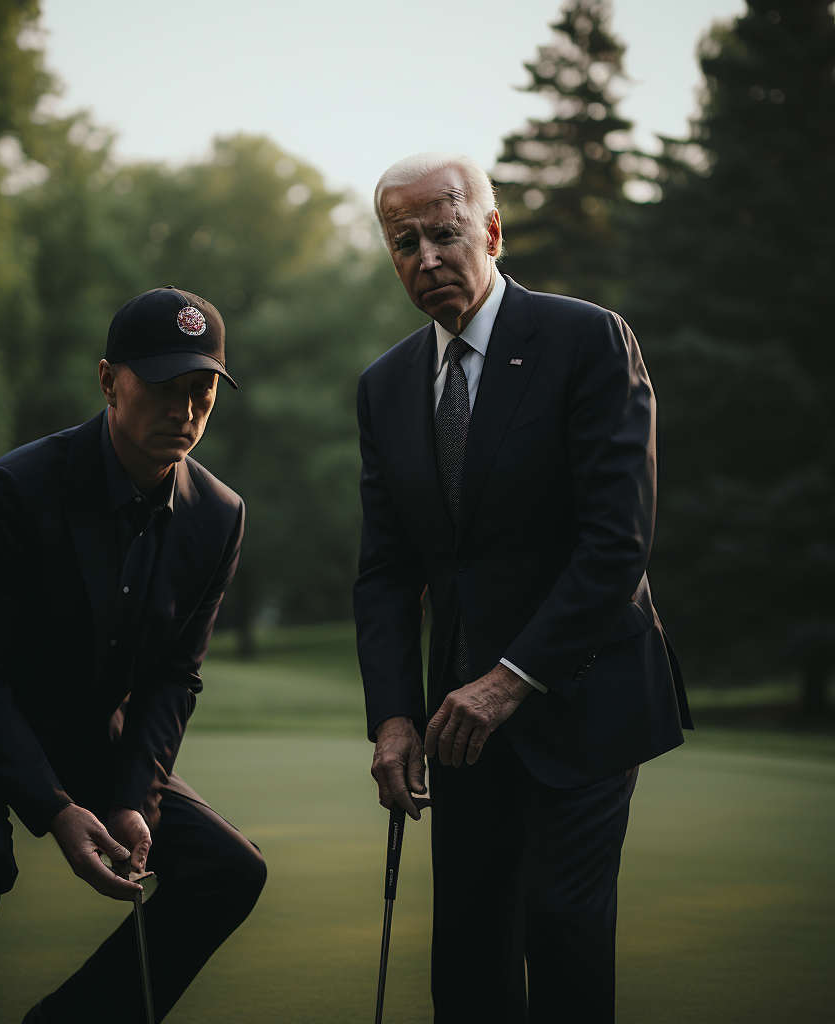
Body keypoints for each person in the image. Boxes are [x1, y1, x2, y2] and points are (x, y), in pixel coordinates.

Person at [0, 287, 266, 1024]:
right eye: (165, 388)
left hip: (79, 725)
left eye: (202, 392)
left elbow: (175, 676)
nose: (185, 410)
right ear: (110, 381)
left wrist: (130, 801)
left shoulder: (220, 516)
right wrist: (53, 810)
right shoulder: (13, 491)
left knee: (229, 870)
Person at [355, 153, 692, 1024]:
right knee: (468, 957)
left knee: (561, 931)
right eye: (403, 242)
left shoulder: (586, 339)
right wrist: (394, 717)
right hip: (458, 729)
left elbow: (616, 545)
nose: (425, 257)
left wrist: (508, 682)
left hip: (580, 701)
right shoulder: (384, 387)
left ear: (492, 232)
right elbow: (389, 572)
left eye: (445, 232)